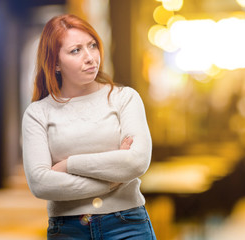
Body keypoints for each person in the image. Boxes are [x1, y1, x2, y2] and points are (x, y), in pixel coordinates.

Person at [22, 14, 156, 239]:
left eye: (92, 46)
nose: (90, 57)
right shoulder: (38, 113)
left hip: (128, 224)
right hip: (67, 229)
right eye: (76, 50)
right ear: (55, 62)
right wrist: (115, 178)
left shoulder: (124, 98)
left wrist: (68, 165)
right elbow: (41, 184)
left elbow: (137, 161)